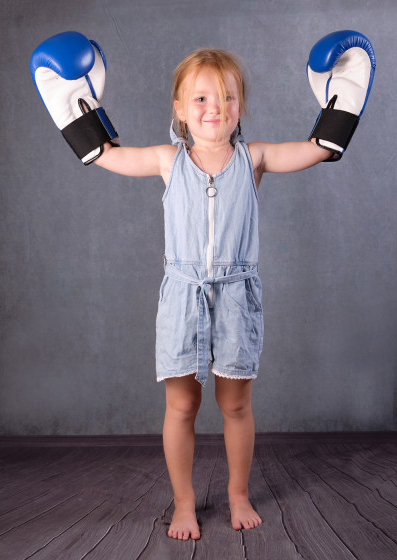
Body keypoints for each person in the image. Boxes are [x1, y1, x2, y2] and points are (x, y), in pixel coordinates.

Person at [30, 30, 375, 542]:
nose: (216, 107)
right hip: (183, 296)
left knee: (235, 404)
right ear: (180, 109)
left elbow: (318, 149)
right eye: (202, 98)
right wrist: (68, 101)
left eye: (227, 97)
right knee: (181, 406)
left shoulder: (253, 158)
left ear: (240, 107)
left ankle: (238, 493)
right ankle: (184, 503)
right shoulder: (167, 161)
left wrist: (344, 98)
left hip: (237, 295)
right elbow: (104, 155)